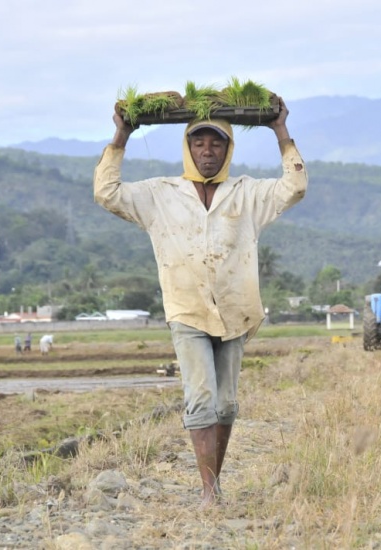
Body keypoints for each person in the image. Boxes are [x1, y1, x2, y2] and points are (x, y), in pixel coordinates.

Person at [93, 96, 307, 507]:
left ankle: (216, 481)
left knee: (225, 403)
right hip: (187, 310)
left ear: (228, 150)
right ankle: (208, 491)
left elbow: (295, 186)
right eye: (199, 144)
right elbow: (106, 192)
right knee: (202, 397)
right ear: (187, 149)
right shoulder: (160, 195)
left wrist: (280, 131)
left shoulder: (246, 195)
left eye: (216, 144)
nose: (207, 152)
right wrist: (122, 134)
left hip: (236, 311)